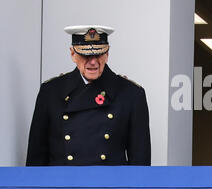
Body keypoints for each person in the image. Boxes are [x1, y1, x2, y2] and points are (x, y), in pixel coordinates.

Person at [26, 25, 151, 166]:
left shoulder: (131, 94)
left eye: (98, 54)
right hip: (63, 185)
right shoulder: (50, 92)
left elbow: (140, 164)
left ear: (107, 54)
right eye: (85, 55)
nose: (93, 62)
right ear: (72, 54)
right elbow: (36, 159)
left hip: (109, 186)